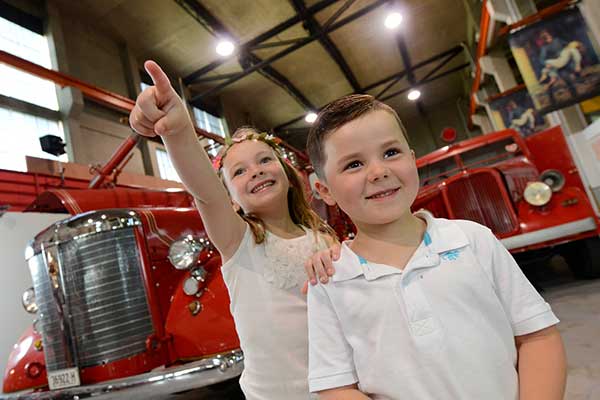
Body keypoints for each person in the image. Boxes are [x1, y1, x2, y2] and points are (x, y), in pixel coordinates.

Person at [305, 94, 567, 399]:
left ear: (412, 158)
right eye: (354, 164)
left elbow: (537, 337)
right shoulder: (329, 280)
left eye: (391, 152)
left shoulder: (473, 240)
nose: (378, 172)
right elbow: (336, 386)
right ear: (325, 191)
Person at [130, 60, 338, 400]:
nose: (255, 171)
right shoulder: (238, 241)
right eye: (239, 172)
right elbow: (203, 189)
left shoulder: (322, 236)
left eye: (265, 160)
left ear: (288, 176)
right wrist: (179, 129)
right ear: (233, 200)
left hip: (338, 387)